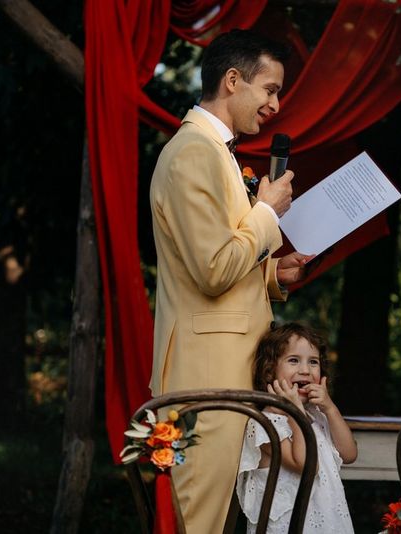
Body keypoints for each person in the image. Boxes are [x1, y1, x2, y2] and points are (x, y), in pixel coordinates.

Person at [149, 30, 312, 533]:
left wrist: (272, 273)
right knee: (202, 522)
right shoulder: (194, 152)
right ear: (233, 80)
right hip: (207, 376)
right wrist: (266, 211)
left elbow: (218, 259)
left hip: (232, 367)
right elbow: (213, 270)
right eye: (269, 89)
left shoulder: (215, 151)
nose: (275, 104)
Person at [236, 323, 357, 533]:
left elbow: (349, 454)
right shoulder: (264, 424)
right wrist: (295, 413)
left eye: (313, 362)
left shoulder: (317, 417)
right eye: (293, 360)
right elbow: (307, 465)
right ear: (268, 372)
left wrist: (329, 408)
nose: (305, 370)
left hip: (326, 522)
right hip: (287, 526)